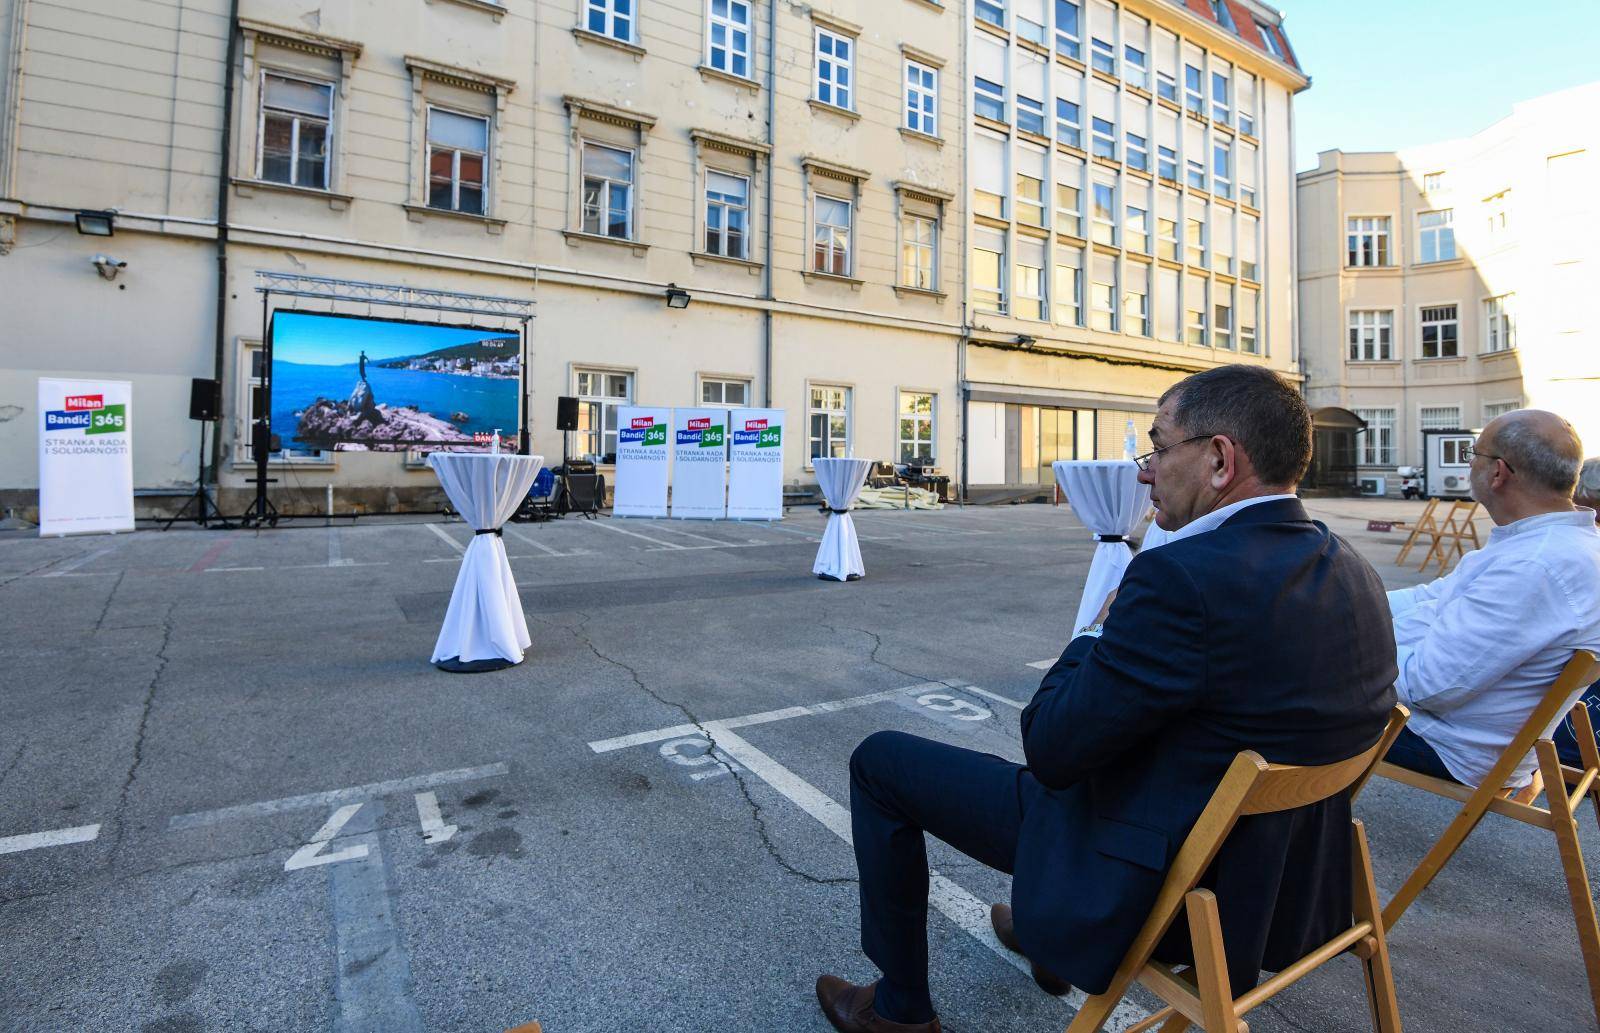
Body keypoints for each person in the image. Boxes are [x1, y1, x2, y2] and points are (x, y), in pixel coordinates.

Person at [816, 365, 1397, 1033]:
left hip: (1159, 888)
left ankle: (898, 1011)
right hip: (1277, 889)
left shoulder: (1179, 580)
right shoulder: (1352, 568)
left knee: (881, 761)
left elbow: (1052, 746)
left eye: (1157, 446)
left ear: (1218, 459)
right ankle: (1039, 937)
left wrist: (1096, 626)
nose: (1145, 471)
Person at [1383, 414, 1600, 790]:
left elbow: (1426, 687)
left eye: (1473, 453)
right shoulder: (1549, 545)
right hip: (1477, 737)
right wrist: (1345, 610)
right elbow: (1433, 598)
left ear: (1498, 473)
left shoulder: (1535, 565)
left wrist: (1343, 649)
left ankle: (1276, 825)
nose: (1469, 463)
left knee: (1270, 689)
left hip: (1447, 745)